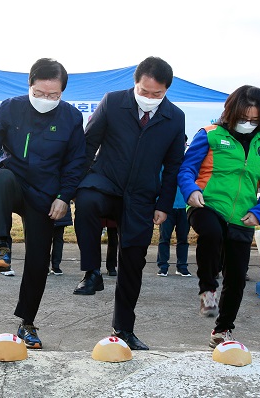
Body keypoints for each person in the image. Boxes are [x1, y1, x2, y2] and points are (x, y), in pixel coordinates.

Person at [0, 58, 86, 349]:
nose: (46, 100)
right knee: (1, 177)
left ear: (62, 93)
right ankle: (2, 246)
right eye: (40, 93)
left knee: (38, 262)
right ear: (29, 86)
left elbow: (76, 162)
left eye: (53, 95)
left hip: (46, 196)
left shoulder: (70, 117)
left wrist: (64, 196)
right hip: (14, 184)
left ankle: (27, 322)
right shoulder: (10, 108)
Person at [73, 56, 185, 350]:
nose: (149, 98)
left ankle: (124, 329)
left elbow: (173, 165)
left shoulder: (175, 117)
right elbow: (88, 144)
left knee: (132, 263)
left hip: (142, 196)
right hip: (106, 182)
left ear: (166, 91)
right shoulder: (112, 102)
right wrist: (75, 183)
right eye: (144, 91)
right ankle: (92, 272)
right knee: (85, 202)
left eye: (156, 94)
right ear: (135, 84)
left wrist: (163, 204)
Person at [178, 85, 260, 348]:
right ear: (231, 112)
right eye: (243, 118)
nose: (248, 124)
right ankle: (207, 290)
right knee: (211, 234)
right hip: (206, 205)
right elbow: (187, 169)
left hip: (244, 216)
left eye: (255, 120)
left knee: (236, 277)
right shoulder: (209, 135)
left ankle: (222, 330)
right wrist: (190, 191)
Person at [157, 135, 191, 277]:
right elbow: (158, 183)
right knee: (164, 238)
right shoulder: (163, 163)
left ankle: (182, 266)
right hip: (167, 206)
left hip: (184, 206)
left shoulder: (188, 163)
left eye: (182, 143)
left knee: (183, 238)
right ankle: (163, 266)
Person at [49, 203, 73, 275]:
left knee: (46, 240)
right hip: (61, 211)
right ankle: (56, 266)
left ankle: (47, 265)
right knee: (58, 240)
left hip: (48, 209)